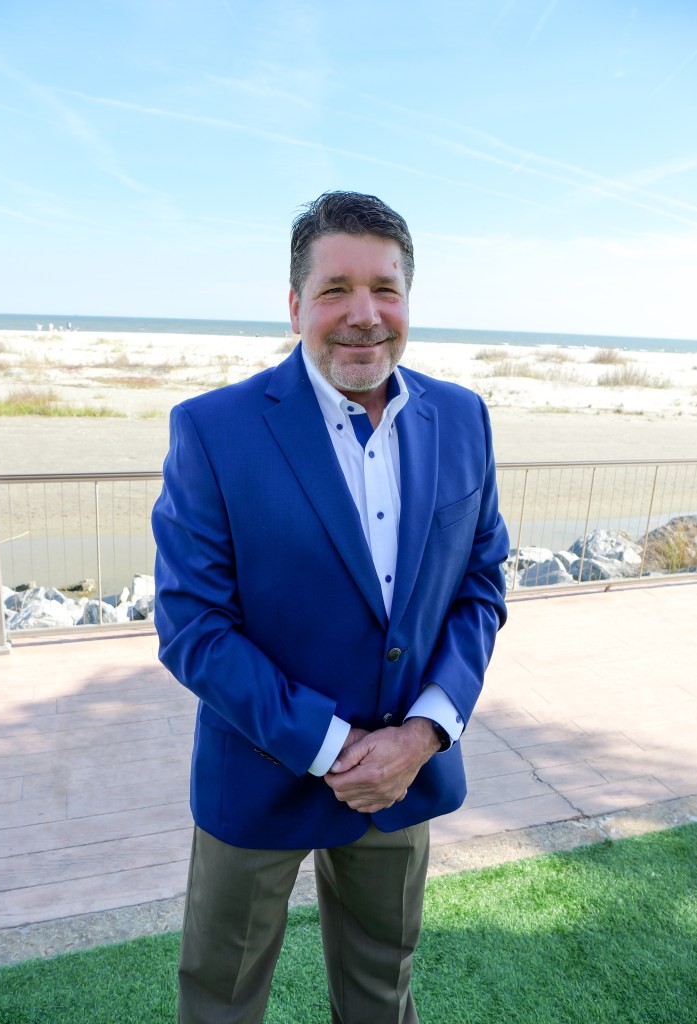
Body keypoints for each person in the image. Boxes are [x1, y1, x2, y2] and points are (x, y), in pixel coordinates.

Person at [152, 191, 509, 1024]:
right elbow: (192, 627)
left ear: (408, 299)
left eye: (384, 288)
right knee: (220, 999)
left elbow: (480, 585)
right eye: (335, 289)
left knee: (382, 993)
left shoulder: (462, 418)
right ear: (294, 305)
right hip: (258, 770)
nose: (363, 315)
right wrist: (336, 745)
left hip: (401, 774)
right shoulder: (212, 429)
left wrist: (419, 737)